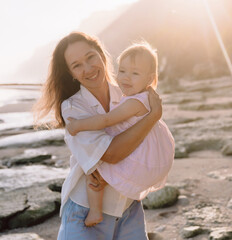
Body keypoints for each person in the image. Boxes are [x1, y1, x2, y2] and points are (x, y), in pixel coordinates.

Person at [34, 32, 164, 240]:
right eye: (77, 65)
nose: (87, 68)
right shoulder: (73, 108)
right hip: (84, 212)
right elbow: (111, 154)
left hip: (127, 208)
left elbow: (149, 142)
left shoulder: (127, 92)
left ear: (101, 55)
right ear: (71, 73)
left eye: (90, 57)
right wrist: (152, 118)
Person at [66, 42, 174, 227]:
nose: (126, 78)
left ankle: (95, 211)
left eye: (135, 73)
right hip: (149, 153)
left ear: (150, 79)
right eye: (122, 71)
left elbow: (106, 120)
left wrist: (78, 125)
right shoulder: (143, 97)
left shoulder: (134, 102)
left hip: (142, 156)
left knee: (94, 171)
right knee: (100, 170)